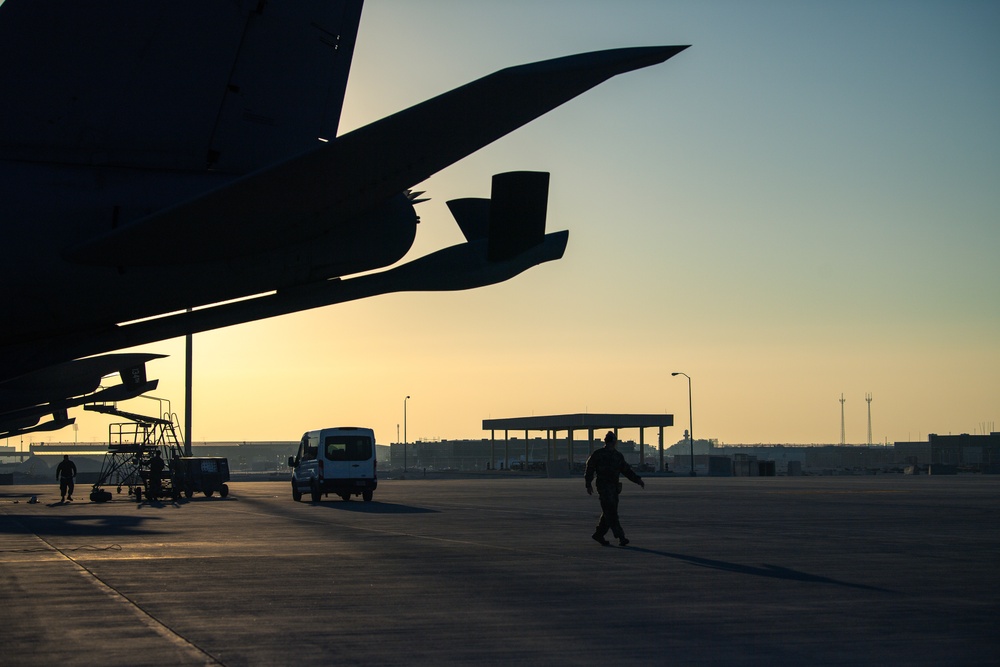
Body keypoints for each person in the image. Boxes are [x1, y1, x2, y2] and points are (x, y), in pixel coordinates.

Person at [585, 431, 644, 546]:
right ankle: (621, 537)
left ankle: (599, 534)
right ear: (613, 442)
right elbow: (590, 469)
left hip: (613, 488)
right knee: (611, 513)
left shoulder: (617, 456)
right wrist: (588, 483)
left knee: (608, 513)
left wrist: (637, 480)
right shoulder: (599, 454)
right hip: (604, 488)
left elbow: (626, 470)